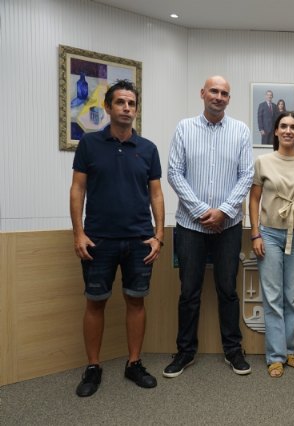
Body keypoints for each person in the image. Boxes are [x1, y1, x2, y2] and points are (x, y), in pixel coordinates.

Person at [70, 79, 165, 397]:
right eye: (121, 102)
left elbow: (156, 194)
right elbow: (77, 189)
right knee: (95, 302)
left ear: (136, 109)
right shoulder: (89, 145)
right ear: (109, 107)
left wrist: (159, 235)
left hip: (139, 240)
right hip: (98, 240)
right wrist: (79, 233)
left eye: (132, 103)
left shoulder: (148, 149)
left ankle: (134, 363)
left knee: (136, 301)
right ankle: (93, 367)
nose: (127, 108)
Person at [164, 75, 254, 378]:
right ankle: (185, 352)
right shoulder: (184, 128)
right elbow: (174, 173)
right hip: (190, 226)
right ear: (202, 93)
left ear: (229, 99)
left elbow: (246, 176)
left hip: (229, 226)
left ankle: (233, 350)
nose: (219, 96)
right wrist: (204, 212)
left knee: (227, 290)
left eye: (224, 93)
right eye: (214, 91)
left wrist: (224, 212)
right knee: (189, 291)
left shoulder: (241, 131)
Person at [249, 112, 294, 378]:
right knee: (273, 296)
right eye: (283, 126)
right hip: (269, 234)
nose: (288, 131)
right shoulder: (263, 162)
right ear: (275, 132)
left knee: (291, 296)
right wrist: (255, 233)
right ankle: (275, 356)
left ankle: (289, 350)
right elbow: (254, 200)